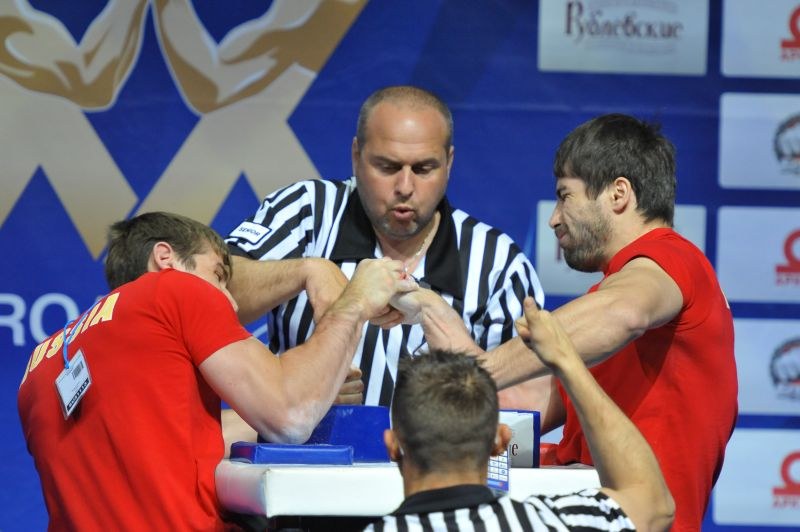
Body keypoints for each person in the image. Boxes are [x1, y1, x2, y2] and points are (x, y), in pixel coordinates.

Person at [400, 113, 738, 531]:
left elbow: (623, 313)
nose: (554, 218)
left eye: (565, 196)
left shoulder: (672, 260)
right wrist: (432, 312)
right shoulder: (609, 301)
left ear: (618, 194)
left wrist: (471, 375)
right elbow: (524, 404)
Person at [17, 211, 415, 530]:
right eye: (219, 275)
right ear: (165, 257)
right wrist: (357, 300)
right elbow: (290, 415)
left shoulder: (43, 360)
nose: (228, 299)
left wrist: (317, 386)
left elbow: (179, 440)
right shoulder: (174, 289)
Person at [225, 84, 545, 406]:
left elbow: (526, 408)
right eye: (387, 167)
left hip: (439, 455)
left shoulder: (499, 265)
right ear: (356, 156)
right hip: (296, 453)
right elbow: (212, 292)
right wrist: (308, 271)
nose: (405, 187)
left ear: (448, 163)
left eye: (423, 169)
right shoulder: (307, 212)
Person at [365, 300, 675, 532]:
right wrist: (566, 360)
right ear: (501, 441)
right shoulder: (551, 523)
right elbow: (654, 504)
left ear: (393, 446)